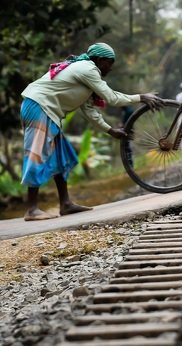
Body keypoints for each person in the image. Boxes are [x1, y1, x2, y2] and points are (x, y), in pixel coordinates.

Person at [20, 42, 163, 220]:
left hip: (46, 111)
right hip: (38, 107)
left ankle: (65, 204)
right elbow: (112, 98)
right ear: (100, 60)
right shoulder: (87, 69)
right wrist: (141, 97)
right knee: (37, 155)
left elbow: (90, 112)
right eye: (109, 63)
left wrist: (110, 130)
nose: (110, 68)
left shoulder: (86, 77)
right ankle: (32, 209)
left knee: (60, 158)